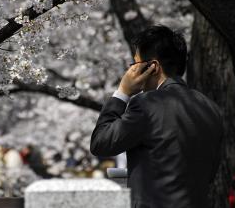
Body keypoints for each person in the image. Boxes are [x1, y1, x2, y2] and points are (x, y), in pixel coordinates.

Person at [90, 25, 224, 208]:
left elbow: (101, 142)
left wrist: (122, 92)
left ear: (153, 67)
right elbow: (210, 174)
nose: (131, 72)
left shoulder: (147, 104)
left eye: (135, 64)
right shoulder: (211, 109)